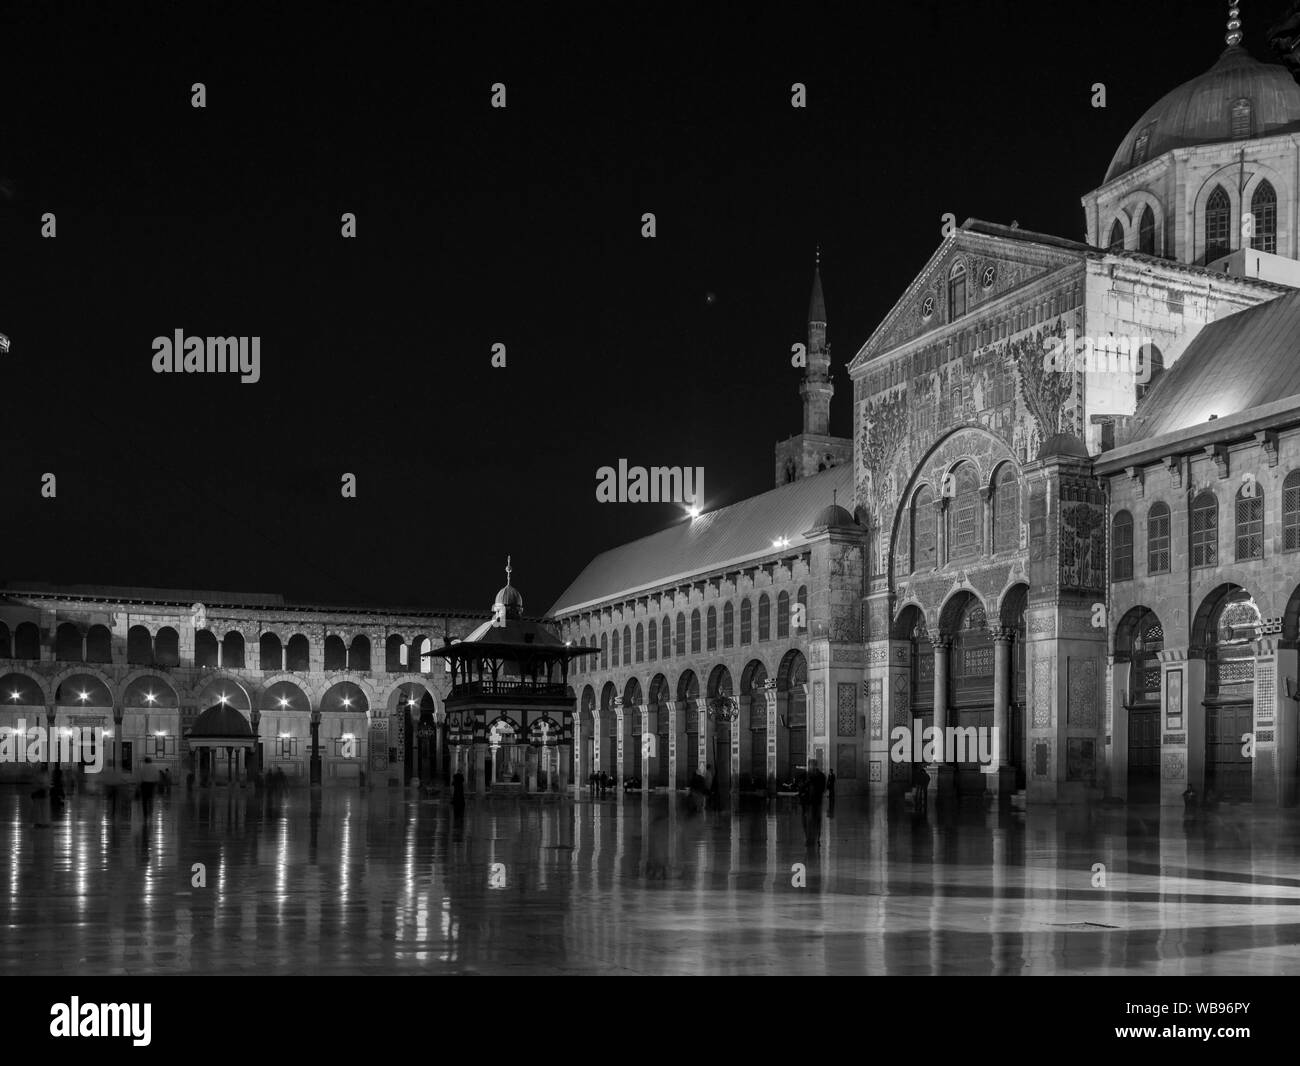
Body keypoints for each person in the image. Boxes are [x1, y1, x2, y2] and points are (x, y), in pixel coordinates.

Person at [805, 761, 827, 846]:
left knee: (812, 820)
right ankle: (816, 839)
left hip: (813, 802)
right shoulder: (821, 776)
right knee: (816, 821)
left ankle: (812, 839)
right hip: (816, 801)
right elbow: (823, 789)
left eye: (810, 765)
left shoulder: (812, 776)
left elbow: (806, 787)